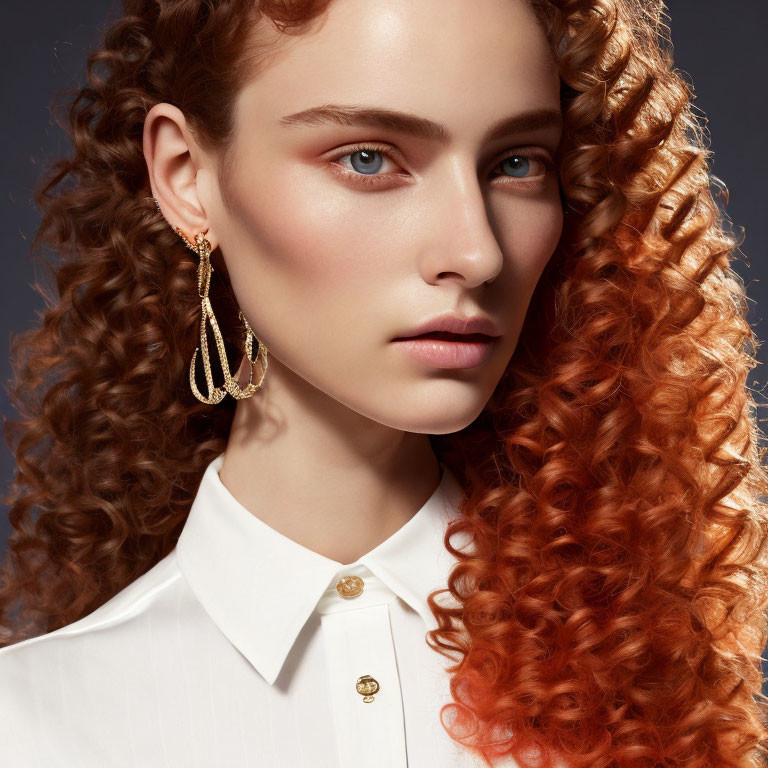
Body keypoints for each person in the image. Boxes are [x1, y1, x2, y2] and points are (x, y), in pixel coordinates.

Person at [0, 0, 766, 766]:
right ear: (187, 179)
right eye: (368, 158)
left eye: (516, 163)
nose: (477, 252)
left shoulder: (644, 669)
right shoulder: (31, 721)